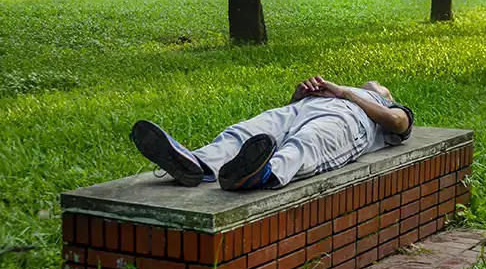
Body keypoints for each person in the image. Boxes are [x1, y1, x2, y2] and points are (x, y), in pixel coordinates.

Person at [130, 77, 413, 191]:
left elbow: (397, 123)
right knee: (250, 130)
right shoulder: (343, 91)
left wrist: (347, 94)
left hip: (349, 120)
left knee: (308, 143)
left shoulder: (384, 103)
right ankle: (198, 164)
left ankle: (261, 174)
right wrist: (299, 96)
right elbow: (287, 117)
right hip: (305, 107)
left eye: (376, 84)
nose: (372, 82)